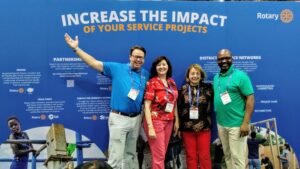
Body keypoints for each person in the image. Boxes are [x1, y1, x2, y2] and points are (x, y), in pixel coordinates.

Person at [64, 34, 149, 169]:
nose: (138, 59)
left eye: (141, 57)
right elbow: (93, 63)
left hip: (136, 118)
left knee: (130, 155)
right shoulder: (117, 68)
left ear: (144, 59)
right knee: (115, 157)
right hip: (119, 118)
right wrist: (76, 49)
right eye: (135, 56)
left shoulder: (146, 74)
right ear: (130, 57)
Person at [213, 49, 255, 169]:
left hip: (237, 125)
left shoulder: (241, 76)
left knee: (238, 158)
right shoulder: (216, 78)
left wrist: (246, 123)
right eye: (221, 59)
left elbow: (250, 98)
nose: (224, 61)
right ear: (217, 61)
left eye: (227, 58)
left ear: (232, 59)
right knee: (227, 156)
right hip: (221, 124)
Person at [143, 56, 179, 169]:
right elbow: (147, 106)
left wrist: (177, 120)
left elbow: (174, 102)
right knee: (159, 156)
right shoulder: (152, 82)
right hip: (155, 121)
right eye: (159, 65)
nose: (162, 67)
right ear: (155, 67)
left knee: (162, 154)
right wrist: (150, 127)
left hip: (169, 121)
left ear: (168, 66)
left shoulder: (171, 82)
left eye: (164, 64)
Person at [177, 64, 213, 169]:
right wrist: (178, 126)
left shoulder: (208, 88)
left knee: (204, 156)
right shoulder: (183, 89)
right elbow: (178, 109)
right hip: (186, 129)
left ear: (201, 76)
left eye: (198, 73)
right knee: (190, 156)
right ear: (188, 76)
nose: (195, 76)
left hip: (204, 127)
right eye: (192, 73)